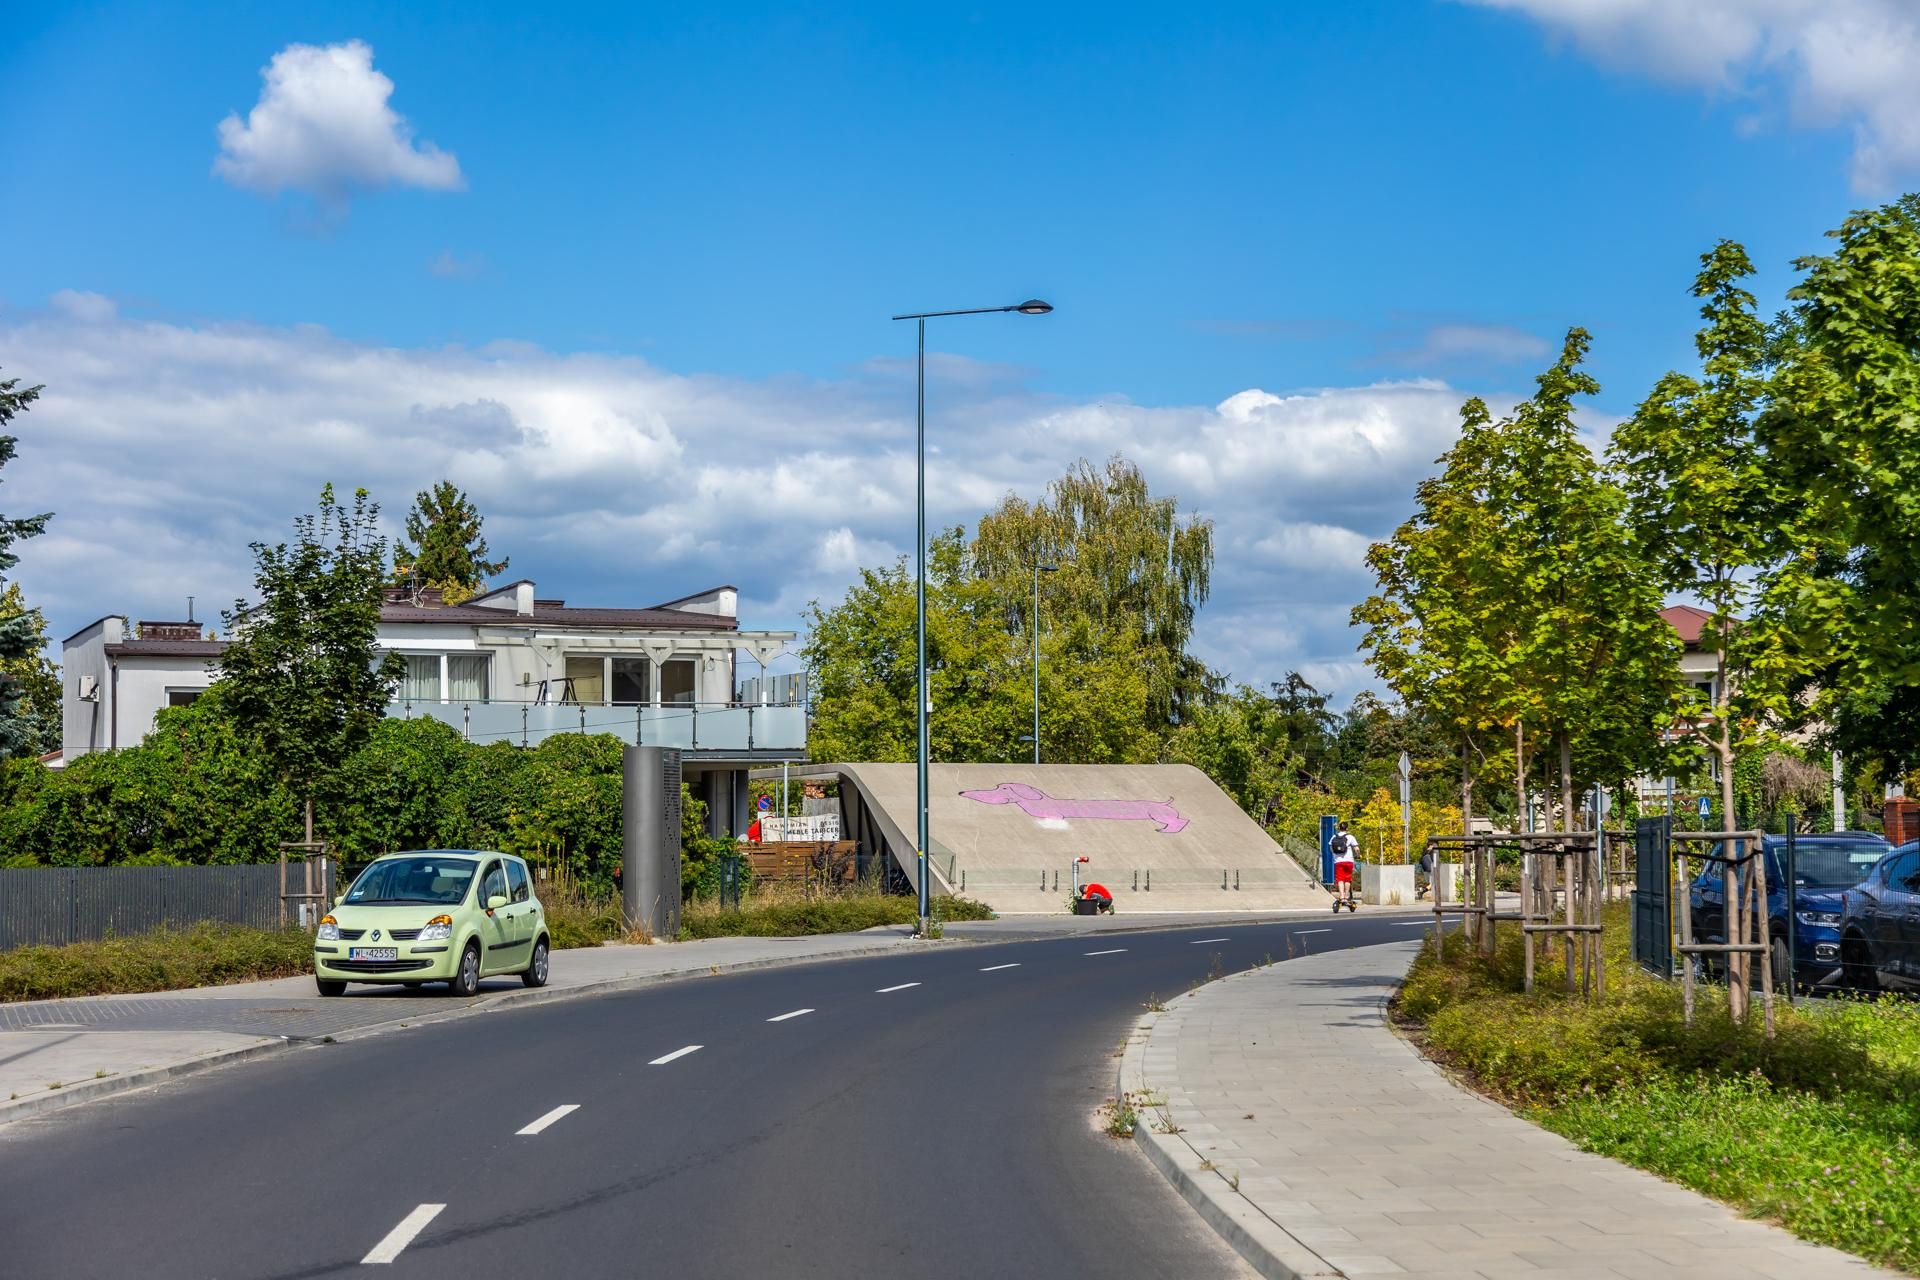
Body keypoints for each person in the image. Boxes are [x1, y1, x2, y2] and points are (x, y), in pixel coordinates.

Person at [1332, 821, 1359, 905]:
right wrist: (1358, 855)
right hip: (1349, 861)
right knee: (1347, 879)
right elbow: (1356, 849)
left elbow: (1331, 849)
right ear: (1347, 828)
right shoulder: (1350, 837)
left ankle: (1341, 897)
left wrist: (1336, 856)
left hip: (1338, 861)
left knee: (1340, 879)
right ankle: (1347, 896)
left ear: (1339, 828)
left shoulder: (1333, 837)